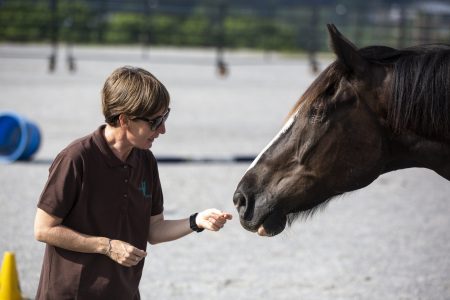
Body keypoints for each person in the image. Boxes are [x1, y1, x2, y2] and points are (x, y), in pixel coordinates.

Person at [34, 66, 233, 299]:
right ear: (124, 119)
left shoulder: (146, 161)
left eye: (165, 116)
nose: (163, 129)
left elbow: (154, 230)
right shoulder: (76, 158)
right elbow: (43, 229)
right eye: (155, 121)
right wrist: (106, 246)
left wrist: (196, 221)